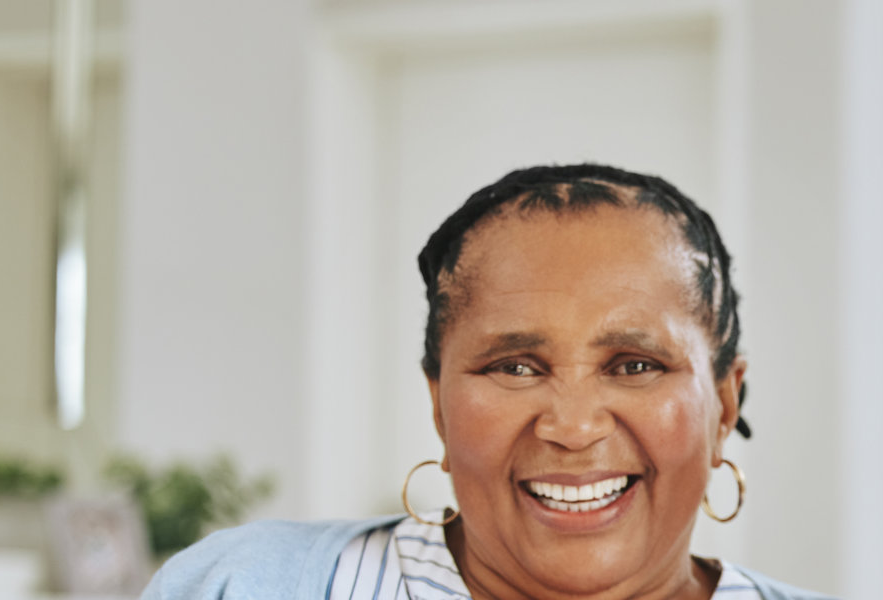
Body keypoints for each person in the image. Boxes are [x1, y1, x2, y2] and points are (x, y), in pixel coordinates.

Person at [144, 164, 832, 599]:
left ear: (724, 406)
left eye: (635, 365)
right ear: (438, 406)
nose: (573, 427)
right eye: (515, 367)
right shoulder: (246, 587)